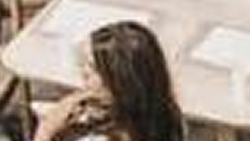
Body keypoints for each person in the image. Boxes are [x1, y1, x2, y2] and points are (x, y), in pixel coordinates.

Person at [30, 21, 186, 141]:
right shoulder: (166, 113)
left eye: (90, 68)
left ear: (119, 82)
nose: (82, 71)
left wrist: (45, 131)